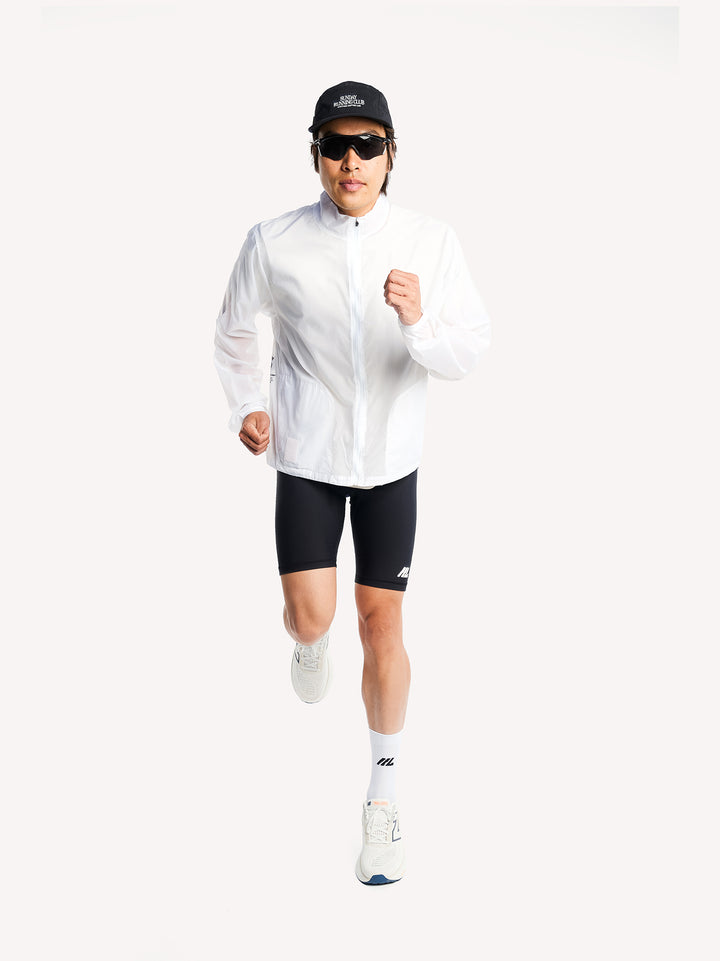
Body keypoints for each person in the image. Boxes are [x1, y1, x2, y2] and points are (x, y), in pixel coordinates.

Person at [214, 81, 491, 884]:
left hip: (390, 465)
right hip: (307, 455)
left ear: (392, 155)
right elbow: (232, 329)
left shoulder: (431, 241)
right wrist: (248, 404)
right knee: (313, 615)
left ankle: (383, 799)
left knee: (383, 625)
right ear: (316, 157)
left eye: (368, 144)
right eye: (336, 145)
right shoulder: (274, 241)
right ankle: (309, 643)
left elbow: (469, 349)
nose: (352, 160)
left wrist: (419, 321)